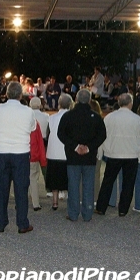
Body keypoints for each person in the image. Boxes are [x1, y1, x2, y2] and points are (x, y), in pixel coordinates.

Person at [0, 82, 37, 233]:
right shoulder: (28, 111)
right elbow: (33, 127)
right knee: (21, 189)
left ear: (6, 94)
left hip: (1, 152)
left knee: (1, 189)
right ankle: (22, 223)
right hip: (21, 153)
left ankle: (0, 222)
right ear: (20, 95)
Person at [58, 89, 107, 222]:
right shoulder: (96, 117)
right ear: (90, 100)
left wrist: (75, 146)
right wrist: (89, 147)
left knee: (73, 185)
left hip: (73, 156)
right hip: (89, 156)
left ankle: (73, 213)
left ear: (77, 99)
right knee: (88, 185)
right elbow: (102, 135)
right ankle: (87, 213)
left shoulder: (68, 116)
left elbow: (61, 133)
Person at [95, 93, 140, 217]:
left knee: (108, 181)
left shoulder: (110, 117)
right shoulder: (136, 119)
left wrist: (101, 153)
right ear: (130, 103)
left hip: (113, 153)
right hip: (131, 154)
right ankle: (123, 209)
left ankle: (101, 207)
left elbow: (102, 136)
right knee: (128, 183)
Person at [45, 94, 73, 210]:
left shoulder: (51, 118)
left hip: (53, 152)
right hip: (67, 153)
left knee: (54, 178)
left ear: (59, 104)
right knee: (69, 179)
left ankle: (55, 202)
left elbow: (47, 134)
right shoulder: (72, 117)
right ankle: (70, 203)